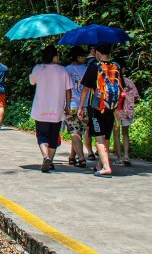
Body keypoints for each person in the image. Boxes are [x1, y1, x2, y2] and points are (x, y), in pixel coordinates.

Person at [79, 42, 125, 177]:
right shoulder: (116, 66)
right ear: (110, 54)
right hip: (112, 107)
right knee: (106, 135)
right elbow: (121, 87)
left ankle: (105, 166)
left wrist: (81, 107)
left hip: (97, 107)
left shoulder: (94, 67)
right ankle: (100, 165)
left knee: (99, 137)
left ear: (97, 52)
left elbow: (86, 89)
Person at [29, 44, 72, 172]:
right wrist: (68, 106)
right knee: (53, 136)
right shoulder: (63, 70)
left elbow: (32, 81)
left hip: (40, 109)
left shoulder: (38, 68)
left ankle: (45, 156)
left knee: (42, 135)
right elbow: (68, 90)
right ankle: (50, 160)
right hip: (57, 109)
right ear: (54, 57)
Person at [64, 46, 89, 167]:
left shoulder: (66, 70)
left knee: (75, 132)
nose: (85, 58)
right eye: (83, 56)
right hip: (85, 105)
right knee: (78, 132)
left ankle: (81, 158)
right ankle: (72, 157)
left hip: (72, 104)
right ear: (78, 57)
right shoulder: (88, 69)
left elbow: (65, 88)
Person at [112, 67, 139, 167]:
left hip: (116, 111)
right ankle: (126, 156)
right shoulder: (129, 81)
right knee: (125, 133)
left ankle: (119, 158)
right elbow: (136, 96)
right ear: (124, 69)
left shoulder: (112, 82)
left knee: (116, 134)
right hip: (127, 111)